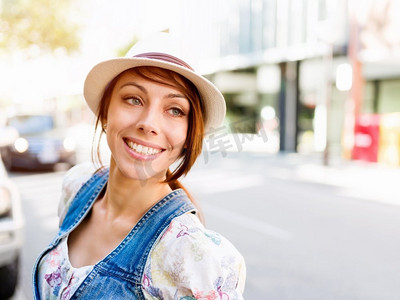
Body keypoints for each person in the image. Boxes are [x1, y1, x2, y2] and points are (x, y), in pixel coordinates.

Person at [32, 32, 246, 299]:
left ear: (190, 135)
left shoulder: (195, 257)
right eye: (134, 99)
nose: (149, 123)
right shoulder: (77, 186)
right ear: (105, 112)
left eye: (175, 110)